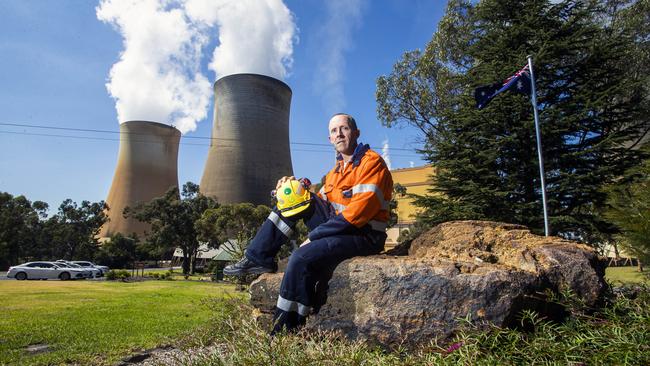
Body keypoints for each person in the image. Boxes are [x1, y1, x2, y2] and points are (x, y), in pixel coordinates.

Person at [224, 113, 393, 334]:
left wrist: (313, 237)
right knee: (295, 197)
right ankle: (258, 257)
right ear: (330, 138)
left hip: (364, 235)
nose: (339, 134)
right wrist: (295, 188)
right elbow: (319, 203)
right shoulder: (335, 172)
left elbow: (357, 214)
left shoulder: (372, 163)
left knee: (301, 258)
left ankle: (285, 330)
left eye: (344, 128)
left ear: (356, 133)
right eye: (334, 131)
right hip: (340, 229)